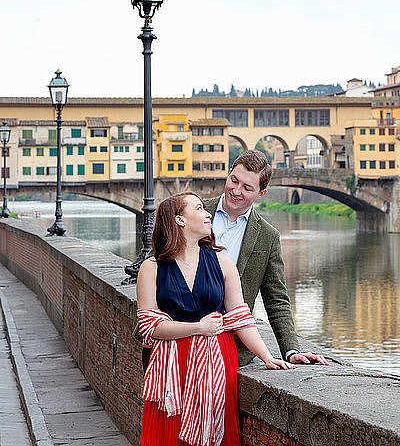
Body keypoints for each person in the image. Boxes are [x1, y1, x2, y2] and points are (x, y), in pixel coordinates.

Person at [137, 192, 295, 446]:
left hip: (216, 361)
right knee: (170, 435)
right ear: (179, 220)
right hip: (172, 364)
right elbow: (150, 326)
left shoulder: (223, 263)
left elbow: (241, 317)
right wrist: (198, 327)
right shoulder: (151, 268)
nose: (208, 213)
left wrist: (267, 357)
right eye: (199, 208)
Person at [204, 149, 328, 368]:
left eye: (247, 188)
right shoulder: (196, 212)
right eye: (234, 180)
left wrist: (291, 350)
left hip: (230, 348)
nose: (236, 191)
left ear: (261, 194)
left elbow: (276, 298)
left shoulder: (267, 236)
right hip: (179, 339)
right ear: (229, 173)